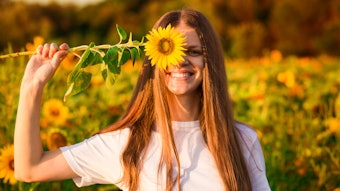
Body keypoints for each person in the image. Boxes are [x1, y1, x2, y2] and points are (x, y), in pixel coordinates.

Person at [14, 8, 271, 191]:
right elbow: (29, 169)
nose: (180, 60)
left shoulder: (241, 140)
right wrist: (31, 88)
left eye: (193, 51)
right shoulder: (128, 143)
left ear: (210, 60)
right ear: (152, 60)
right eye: (168, 49)